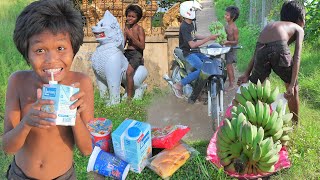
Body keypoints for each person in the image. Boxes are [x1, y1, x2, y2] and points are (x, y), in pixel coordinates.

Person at [2, 0, 94, 179]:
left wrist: (73, 115)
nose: (51, 59)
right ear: (26, 53)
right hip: (20, 175)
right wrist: (27, 123)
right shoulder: (18, 82)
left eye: (60, 48)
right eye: (39, 50)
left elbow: (87, 149)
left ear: (73, 49)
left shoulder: (81, 83)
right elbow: (7, 147)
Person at [237, 1, 305, 125]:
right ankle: (295, 125)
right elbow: (297, 57)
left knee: (256, 86)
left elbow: (258, 51)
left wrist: (247, 73)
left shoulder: (273, 25)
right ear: (300, 18)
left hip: (261, 49)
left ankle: (248, 119)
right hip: (277, 48)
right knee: (293, 87)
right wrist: (292, 83)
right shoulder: (298, 28)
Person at [172, 1, 219, 99]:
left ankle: (204, 88)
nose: (196, 12)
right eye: (194, 10)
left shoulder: (191, 23)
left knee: (211, 63)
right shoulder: (184, 26)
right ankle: (180, 84)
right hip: (189, 53)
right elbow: (192, 44)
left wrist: (210, 36)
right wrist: (208, 38)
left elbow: (195, 35)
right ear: (188, 11)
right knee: (203, 69)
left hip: (197, 52)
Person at [123, 4, 145, 100]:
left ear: (137, 18)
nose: (130, 18)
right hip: (127, 52)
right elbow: (123, 44)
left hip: (136, 53)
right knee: (117, 71)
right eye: (129, 16)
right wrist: (124, 34)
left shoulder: (139, 29)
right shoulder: (127, 29)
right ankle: (128, 89)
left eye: (133, 17)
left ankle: (129, 98)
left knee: (128, 72)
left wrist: (130, 36)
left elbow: (142, 46)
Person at [223, 6, 239, 92]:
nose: (225, 16)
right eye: (225, 14)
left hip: (231, 49)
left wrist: (227, 42)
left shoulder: (234, 28)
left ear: (232, 17)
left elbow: (236, 41)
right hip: (227, 48)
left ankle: (232, 84)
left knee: (229, 65)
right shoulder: (227, 25)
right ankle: (231, 78)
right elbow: (225, 36)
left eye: (227, 15)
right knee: (228, 65)